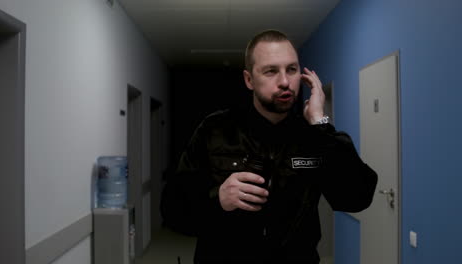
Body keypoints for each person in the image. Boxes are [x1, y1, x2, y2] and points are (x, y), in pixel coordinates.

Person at [161, 29, 378, 264]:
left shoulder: (314, 136)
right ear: (249, 79)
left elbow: (356, 198)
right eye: (271, 71)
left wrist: (320, 122)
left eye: (291, 70)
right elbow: (172, 209)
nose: (285, 82)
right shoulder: (216, 129)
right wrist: (217, 199)